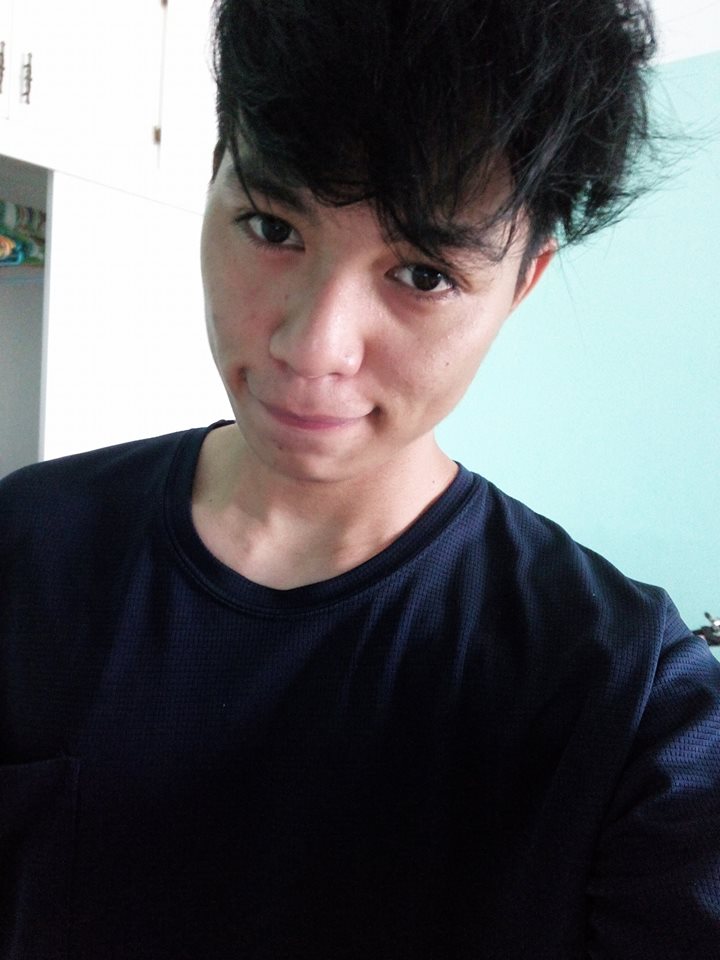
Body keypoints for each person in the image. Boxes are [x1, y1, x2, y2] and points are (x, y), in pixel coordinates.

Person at [1, 0, 719, 956]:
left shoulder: (629, 702)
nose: (313, 348)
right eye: (271, 226)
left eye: (422, 275)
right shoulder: (25, 545)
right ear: (214, 178)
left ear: (524, 281)